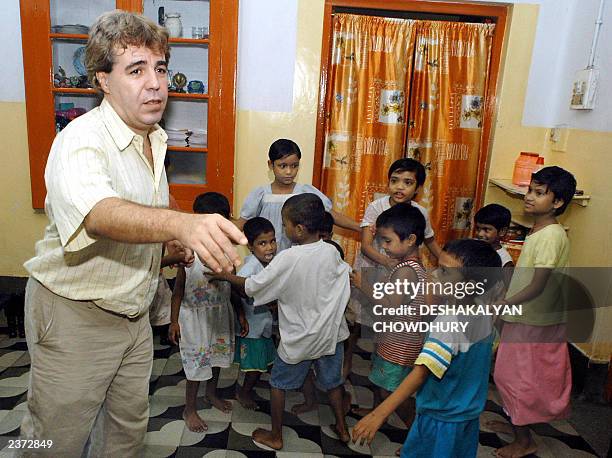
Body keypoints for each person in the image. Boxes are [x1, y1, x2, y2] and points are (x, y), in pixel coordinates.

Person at [20, 10, 245, 457]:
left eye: (160, 68)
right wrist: (182, 224)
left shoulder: (151, 137)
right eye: (136, 70)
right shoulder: (81, 140)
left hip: (133, 314)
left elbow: (151, 204)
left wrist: (176, 241)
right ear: (103, 79)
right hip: (74, 316)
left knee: (125, 434)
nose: (156, 83)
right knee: (52, 440)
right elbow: (100, 214)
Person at [211, 193, 352, 449]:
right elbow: (342, 279)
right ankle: (343, 428)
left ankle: (276, 436)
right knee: (333, 384)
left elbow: (253, 286)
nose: (283, 229)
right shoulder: (331, 251)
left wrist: (225, 276)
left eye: (285, 225)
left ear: (298, 229)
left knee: (277, 384)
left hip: (300, 337)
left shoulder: (289, 257)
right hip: (332, 334)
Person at [352, 239, 502, 458]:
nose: (434, 275)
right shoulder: (482, 311)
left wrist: (378, 415)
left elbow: (421, 373)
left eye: (444, 271)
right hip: (467, 414)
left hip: (440, 416)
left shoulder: (449, 323)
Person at [489, 166, 577, 458]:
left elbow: (538, 285)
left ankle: (524, 440)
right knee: (517, 376)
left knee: (512, 377)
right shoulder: (540, 231)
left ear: (558, 202)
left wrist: (503, 305)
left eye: (539, 193)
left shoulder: (550, 236)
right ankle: (516, 422)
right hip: (528, 316)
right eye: (530, 190)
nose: (529, 197)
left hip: (533, 319)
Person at [168, 193, 244, 432]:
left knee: (217, 359)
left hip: (219, 316)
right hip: (193, 319)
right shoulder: (188, 254)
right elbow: (178, 291)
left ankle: (211, 394)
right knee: (196, 365)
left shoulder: (228, 251)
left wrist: (240, 314)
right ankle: (189, 408)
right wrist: (173, 322)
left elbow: (230, 287)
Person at [352, 203, 426, 428]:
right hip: (394, 338)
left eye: (388, 241)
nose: (383, 247)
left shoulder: (406, 271)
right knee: (382, 380)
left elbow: (390, 307)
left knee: (391, 390)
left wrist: (363, 285)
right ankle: (377, 412)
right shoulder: (407, 265)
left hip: (399, 346)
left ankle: (415, 431)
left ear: (410, 240)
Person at [237, 138, 359, 252]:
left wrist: (361, 228)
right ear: (270, 164)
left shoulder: (306, 192)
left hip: (299, 258)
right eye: (282, 166)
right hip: (267, 258)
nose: (289, 171)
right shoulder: (261, 195)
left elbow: (333, 215)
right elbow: (242, 224)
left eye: (294, 166)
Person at [357, 158, 441, 270]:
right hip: (374, 266)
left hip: (403, 269)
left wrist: (446, 261)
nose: (399, 187)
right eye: (394, 181)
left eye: (407, 183)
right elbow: (366, 246)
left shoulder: (421, 212)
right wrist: (387, 262)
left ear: (418, 188)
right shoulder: (376, 207)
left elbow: (429, 240)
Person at [233, 217, 278, 410]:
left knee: (261, 361)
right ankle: (243, 393)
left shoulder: (271, 263)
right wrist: (242, 316)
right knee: (255, 365)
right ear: (250, 247)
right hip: (253, 326)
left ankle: (249, 387)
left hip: (265, 324)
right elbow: (236, 289)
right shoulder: (249, 268)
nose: (270, 248)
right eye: (262, 243)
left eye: (272, 241)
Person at [474, 203, 514, 268]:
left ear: (502, 231)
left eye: (486, 229)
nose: (480, 234)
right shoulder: (472, 246)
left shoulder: (505, 261)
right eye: (478, 228)